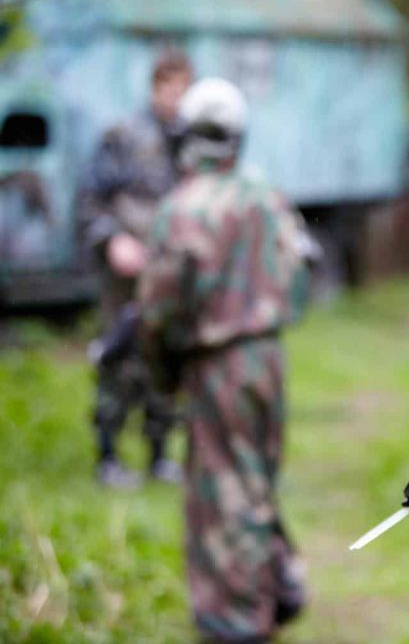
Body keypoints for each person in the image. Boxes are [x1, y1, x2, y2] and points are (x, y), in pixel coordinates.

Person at [137, 77, 312, 644]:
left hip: (215, 365)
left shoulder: (182, 207)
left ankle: (237, 621)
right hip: (266, 357)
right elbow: (301, 269)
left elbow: (160, 310)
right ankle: (273, 588)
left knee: (222, 496)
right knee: (255, 481)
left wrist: (162, 378)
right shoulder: (265, 195)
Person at [78, 49, 193, 488]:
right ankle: (107, 456)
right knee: (117, 358)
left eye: (184, 89)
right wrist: (112, 239)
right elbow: (89, 198)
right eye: (169, 88)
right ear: (154, 87)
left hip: (167, 275)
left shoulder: (190, 142)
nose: (176, 98)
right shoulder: (124, 135)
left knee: (165, 359)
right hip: (125, 274)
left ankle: (160, 455)